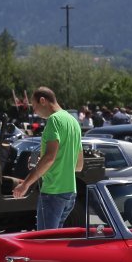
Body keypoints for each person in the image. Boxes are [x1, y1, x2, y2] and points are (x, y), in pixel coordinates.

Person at [13, 87, 83, 230]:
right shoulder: (73, 122)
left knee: (45, 240)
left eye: (35, 106)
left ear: (43, 100)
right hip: (70, 193)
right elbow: (79, 165)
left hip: (53, 192)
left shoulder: (54, 120)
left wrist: (25, 184)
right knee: (55, 240)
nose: (35, 112)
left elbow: (50, 158)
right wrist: (44, 163)